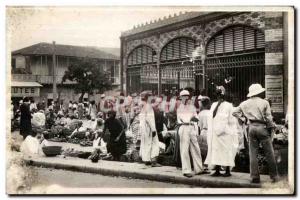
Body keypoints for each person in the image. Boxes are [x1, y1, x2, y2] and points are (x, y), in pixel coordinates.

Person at [232, 83, 279, 183]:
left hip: (251, 127)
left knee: (253, 153)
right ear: (259, 92)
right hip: (262, 127)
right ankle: (274, 176)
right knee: (269, 152)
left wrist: (244, 119)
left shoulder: (244, 103)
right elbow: (269, 118)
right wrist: (271, 128)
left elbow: (234, 112)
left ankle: (254, 176)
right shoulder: (264, 102)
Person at [205, 86, 238, 177]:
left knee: (226, 151)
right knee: (217, 151)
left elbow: (232, 120)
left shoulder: (229, 105)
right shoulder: (214, 105)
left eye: (220, 94)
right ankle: (217, 170)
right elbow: (212, 116)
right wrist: (218, 104)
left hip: (225, 133)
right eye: (218, 94)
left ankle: (227, 170)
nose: (219, 97)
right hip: (216, 133)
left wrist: (227, 129)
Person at [176, 90, 204, 178]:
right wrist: (189, 119)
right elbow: (180, 120)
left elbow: (196, 117)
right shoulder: (180, 108)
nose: (186, 98)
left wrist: (194, 118)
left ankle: (199, 168)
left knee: (196, 147)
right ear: (181, 97)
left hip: (192, 127)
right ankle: (186, 170)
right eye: (184, 96)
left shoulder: (191, 107)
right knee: (184, 149)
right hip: (184, 127)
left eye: (187, 96)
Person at [139, 92, 161, 167]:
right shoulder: (148, 107)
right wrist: (153, 130)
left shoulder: (143, 106)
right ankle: (154, 161)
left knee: (146, 144)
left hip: (144, 128)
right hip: (149, 128)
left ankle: (147, 160)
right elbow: (150, 119)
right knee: (154, 143)